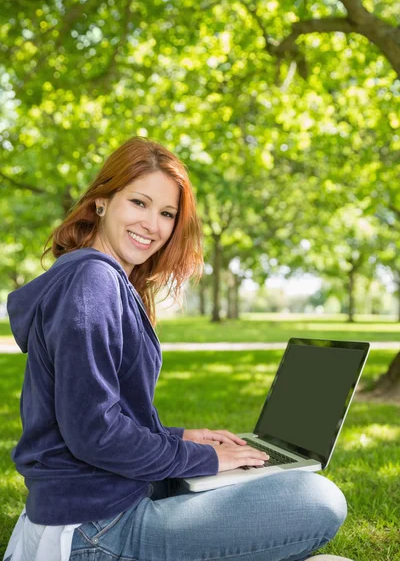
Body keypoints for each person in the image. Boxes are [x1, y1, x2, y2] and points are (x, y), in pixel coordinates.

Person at [4, 137, 350, 561]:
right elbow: (94, 434)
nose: (152, 225)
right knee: (319, 498)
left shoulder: (97, 278)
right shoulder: (91, 282)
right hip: (97, 527)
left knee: (255, 478)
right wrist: (201, 458)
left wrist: (180, 437)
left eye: (166, 213)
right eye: (139, 203)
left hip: (102, 504)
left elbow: (93, 417)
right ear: (101, 202)